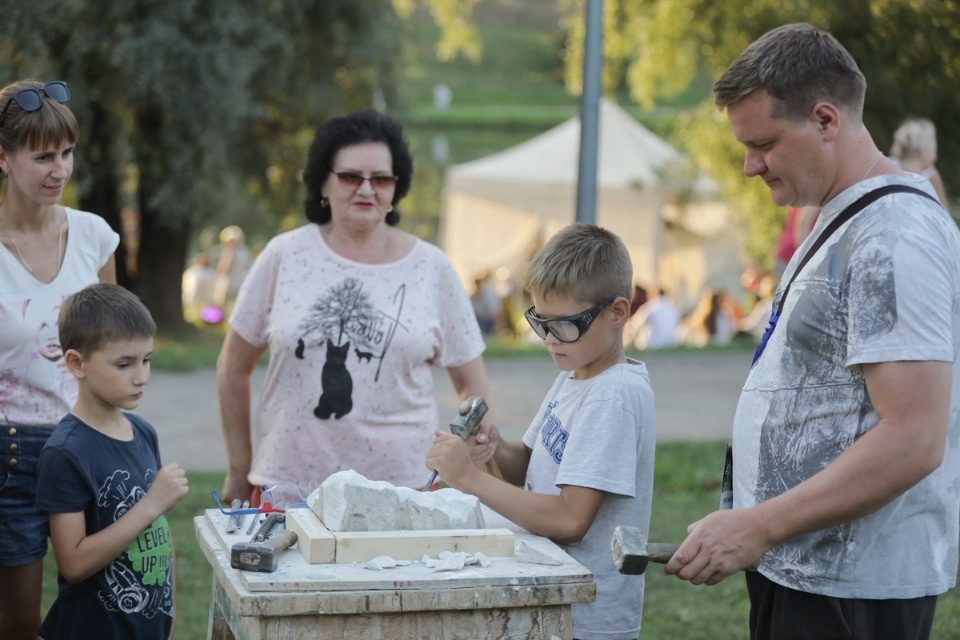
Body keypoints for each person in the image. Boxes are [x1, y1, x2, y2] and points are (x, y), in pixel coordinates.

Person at [664, 23, 960, 640]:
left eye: (764, 143)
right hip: (804, 571)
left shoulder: (893, 236)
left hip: (850, 592)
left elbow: (914, 439)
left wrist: (759, 525)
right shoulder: (841, 214)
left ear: (826, 120)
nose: (750, 166)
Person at [217, 109, 493, 503]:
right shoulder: (284, 255)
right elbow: (232, 368)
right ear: (322, 184)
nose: (366, 189)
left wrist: (475, 457)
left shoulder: (432, 268)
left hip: (405, 493)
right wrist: (238, 467)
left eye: (381, 178)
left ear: (396, 188)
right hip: (290, 489)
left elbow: (472, 384)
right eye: (350, 177)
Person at [427, 223, 656, 640]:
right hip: (554, 599)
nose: (549, 339)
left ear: (617, 313)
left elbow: (570, 519)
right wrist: (493, 447)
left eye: (563, 324)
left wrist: (469, 479)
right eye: (540, 322)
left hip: (584, 617)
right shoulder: (576, 371)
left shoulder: (613, 395)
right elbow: (530, 464)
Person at [0, 79, 119, 640]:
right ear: (2, 157)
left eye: (67, 153)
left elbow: (114, 350)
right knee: (19, 623)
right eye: (43, 156)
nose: (60, 169)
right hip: (11, 454)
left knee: (103, 610)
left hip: (88, 446)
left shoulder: (94, 235)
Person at [34, 283, 187, 639]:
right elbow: (72, 563)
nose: (142, 377)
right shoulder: (65, 451)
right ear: (76, 363)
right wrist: (151, 505)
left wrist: (169, 609)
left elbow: (159, 533)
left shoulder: (143, 432)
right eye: (124, 364)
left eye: (147, 360)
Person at [890, 116, 949, 208]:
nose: (936, 153)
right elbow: (944, 211)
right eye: (934, 147)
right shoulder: (930, 175)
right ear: (924, 150)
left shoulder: (891, 164)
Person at [470, 272, 501, 336]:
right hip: (478, 320)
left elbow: (494, 312)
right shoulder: (473, 297)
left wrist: (498, 327)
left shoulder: (488, 295)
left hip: (487, 321)